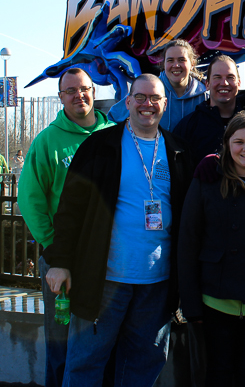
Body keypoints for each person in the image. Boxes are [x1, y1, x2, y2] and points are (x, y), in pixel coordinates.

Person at [43, 73, 193, 387]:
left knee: (142, 365)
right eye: (140, 97)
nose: (147, 104)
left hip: (157, 284)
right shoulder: (99, 146)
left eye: (154, 98)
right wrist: (59, 261)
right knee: (85, 362)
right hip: (104, 279)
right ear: (127, 102)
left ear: (165, 104)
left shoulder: (179, 151)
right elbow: (71, 209)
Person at [178, 109, 245, 387]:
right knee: (218, 373)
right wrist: (190, 304)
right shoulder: (207, 180)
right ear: (227, 144)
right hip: (216, 299)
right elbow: (188, 242)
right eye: (239, 141)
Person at [17, 68, 113, 387]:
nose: (78, 96)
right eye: (69, 91)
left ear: (93, 92)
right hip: (63, 261)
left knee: (102, 336)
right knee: (61, 338)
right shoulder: (48, 141)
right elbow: (31, 199)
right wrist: (55, 250)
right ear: (61, 98)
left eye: (83, 89)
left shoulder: (115, 134)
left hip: (109, 259)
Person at [109, 39, 206, 131]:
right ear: (163, 64)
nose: (176, 65)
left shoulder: (205, 95)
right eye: (170, 60)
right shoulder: (148, 88)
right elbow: (113, 118)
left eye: (181, 60)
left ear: (192, 63)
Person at [174, 55, 245, 167]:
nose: (224, 83)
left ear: (239, 83)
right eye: (217, 77)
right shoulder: (188, 126)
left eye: (230, 77)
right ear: (207, 84)